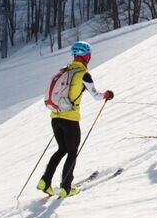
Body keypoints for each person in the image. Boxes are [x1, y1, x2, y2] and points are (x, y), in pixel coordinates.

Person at [37, 41, 113, 198]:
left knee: (61, 150)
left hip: (55, 118)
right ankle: (66, 187)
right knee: (72, 151)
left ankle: (45, 181)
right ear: (87, 56)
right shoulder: (83, 74)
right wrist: (107, 95)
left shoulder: (65, 71)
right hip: (70, 120)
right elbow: (96, 96)